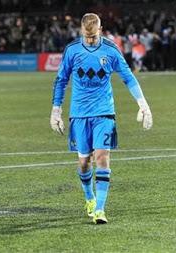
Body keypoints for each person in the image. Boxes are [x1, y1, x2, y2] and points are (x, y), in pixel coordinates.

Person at [49, 13, 153, 225]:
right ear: (81, 31)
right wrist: (56, 111)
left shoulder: (110, 50)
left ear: (100, 29)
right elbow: (60, 80)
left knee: (102, 158)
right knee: (84, 162)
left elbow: (128, 77)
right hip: (79, 114)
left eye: (93, 36)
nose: (90, 40)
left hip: (104, 111)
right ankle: (89, 198)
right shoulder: (72, 50)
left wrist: (143, 104)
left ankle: (99, 209)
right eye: (86, 36)